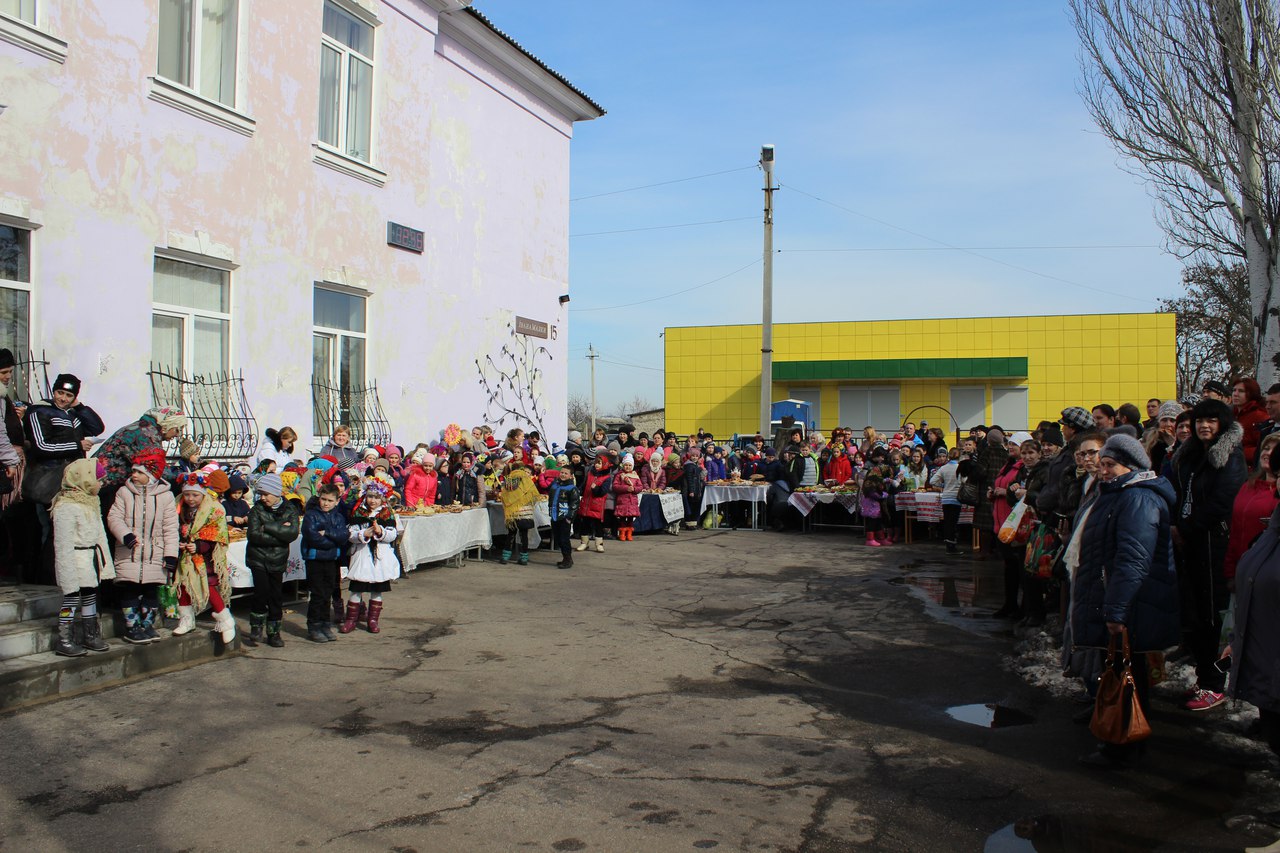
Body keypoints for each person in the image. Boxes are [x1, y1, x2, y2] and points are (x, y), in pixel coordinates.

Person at [1074, 434, 1179, 769]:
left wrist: (1117, 610)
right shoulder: (1119, 494)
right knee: (1124, 671)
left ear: (1131, 466)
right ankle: (1123, 740)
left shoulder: (1138, 498)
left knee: (1128, 675)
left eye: (1110, 464)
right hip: (1123, 598)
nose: (1103, 470)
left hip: (1133, 602)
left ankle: (1124, 745)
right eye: (1102, 464)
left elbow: (1133, 560)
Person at [1170, 397, 1247, 711]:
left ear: (1222, 424)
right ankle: (1204, 679)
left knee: (1212, 618)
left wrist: (1185, 528)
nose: (1203, 426)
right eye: (1200, 420)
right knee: (1196, 617)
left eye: (1211, 421)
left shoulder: (1230, 456)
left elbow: (1223, 501)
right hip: (1191, 543)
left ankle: (1215, 684)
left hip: (1214, 543)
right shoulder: (1189, 455)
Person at [22, 374, 105, 580]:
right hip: (48, 479)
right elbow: (41, 446)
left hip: (70, 483)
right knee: (49, 528)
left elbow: (97, 427)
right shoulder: (39, 411)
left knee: (67, 530)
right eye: (60, 393)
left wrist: (79, 406)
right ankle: (46, 576)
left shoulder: (74, 414)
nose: (63, 398)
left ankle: (62, 574)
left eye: (69, 395)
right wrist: (76, 445)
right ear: (53, 391)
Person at [106, 449, 178, 645]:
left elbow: (170, 528)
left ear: (151, 475)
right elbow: (114, 518)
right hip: (129, 551)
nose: (134, 475)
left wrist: (171, 554)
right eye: (133, 471)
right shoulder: (124, 492)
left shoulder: (166, 497)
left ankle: (147, 625)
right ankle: (132, 627)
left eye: (139, 472)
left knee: (151, 590)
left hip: (156, 552)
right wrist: (125, 535)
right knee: (129, 588)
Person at [50, 459, 114, 657]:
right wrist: (67, 575)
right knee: (70, 599)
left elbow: (100, 535)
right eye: (98, 480)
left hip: (90, 560)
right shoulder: (66, 506)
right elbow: (63, 544)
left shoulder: (91, 502)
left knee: (89, 595)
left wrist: (104, 565)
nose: (101, 484)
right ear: (85, 479)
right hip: (75, 559)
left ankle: (90, 634)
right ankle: (64, 638)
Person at [172, 472, 234, 643]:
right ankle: (186, 619)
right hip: (185, 557)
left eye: (195, 495)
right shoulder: (179, 508)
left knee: (208, 586)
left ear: (203, 494)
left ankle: (226, 620)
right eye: (187, 494)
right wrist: (180, 543)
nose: (190, 499)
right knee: (183, 585)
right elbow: (173, 529)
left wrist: (199, 546)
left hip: (205, 557)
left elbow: (217, 536)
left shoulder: (213, 510)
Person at [341, 476, 399, 634]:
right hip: (362, 555)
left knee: (377, 590)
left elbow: (393, 534)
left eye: (377, 497)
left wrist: (381, 532)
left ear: (383, 499)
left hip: (380, 557)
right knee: (356, 589)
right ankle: (351, 619)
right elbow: (351, 534)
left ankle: (373, 620)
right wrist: (363, 534)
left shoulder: (387, 513)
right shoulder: (358, 512)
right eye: (370, 497)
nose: (373, 501)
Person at [1223, 433, 1280, 592]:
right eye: (1266, 448)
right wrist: (1230, 570)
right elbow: (1235, 530)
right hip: (1242, 570)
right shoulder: (1247, 486)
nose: (1268, 453)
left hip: (1268, 577)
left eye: (1275, 450)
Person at [301, 483, 347, 643]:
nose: (326, 503)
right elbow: (312, 536)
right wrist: (332, 541)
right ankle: (314, 626)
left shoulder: (338, 517)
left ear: (337, 501)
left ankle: (325, 624)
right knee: (317, 594)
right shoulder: (311, 515)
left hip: (331, 560)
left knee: (328, 593)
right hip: (315, 559)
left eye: (330, 500)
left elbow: (343, 535)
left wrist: (327, 533)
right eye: (323, 499)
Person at [499, 461, 540, 565]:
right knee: (524, 535)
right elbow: (534, 495)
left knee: (510, 535)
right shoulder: (527, 480)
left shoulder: (509, 480)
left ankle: (505, 557)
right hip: (525, 513)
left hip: (512, 513)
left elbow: (504, 496)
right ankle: (524, 558)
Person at [577, 450, 613, 552]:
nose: (597, 465)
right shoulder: (590, 474)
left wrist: (595, 488)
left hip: (597, 505)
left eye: (599, 463)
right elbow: (584, 486)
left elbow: (603, 492)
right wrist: (579, 491)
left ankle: (599, 544)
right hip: (586, 503)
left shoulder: (606, 477)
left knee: (598, 525)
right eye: (596, 462)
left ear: (604, 464)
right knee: (584, 524)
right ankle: (584, 542)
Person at [547, 464, 579, 569]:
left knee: (564, 539)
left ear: (571, 476)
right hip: (555, 516)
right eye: (562, 472)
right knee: (558, 538)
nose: (563, 475)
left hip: (564, 517)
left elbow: (574, 504)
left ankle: (567, 559)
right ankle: (565, 558)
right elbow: (549, 495)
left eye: (566, 473)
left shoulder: (572, 488)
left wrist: (570, 517)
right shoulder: (555, 485)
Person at [1232, 377, 1268, 465]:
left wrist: (1236, 453)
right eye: (1234, 390)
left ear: (1251, 394)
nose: (1235, 394)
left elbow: (1264, 447)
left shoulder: (1259, 416)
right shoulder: (1230, 415)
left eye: (1241, 391)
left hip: (1250, 467)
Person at [612, 455, 642, 541]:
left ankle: (629, 533)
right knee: (622, 518)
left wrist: (634, 489)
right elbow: (615, 486)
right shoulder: (619, 475)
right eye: (626, 465)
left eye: (629, 465)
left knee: (630, 518)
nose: (628, 467)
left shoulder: (635, 475)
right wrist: (626, 488)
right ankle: (622, 533)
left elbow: (640, 486)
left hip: (632, 501)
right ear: (623, 465)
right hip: (622, 500)